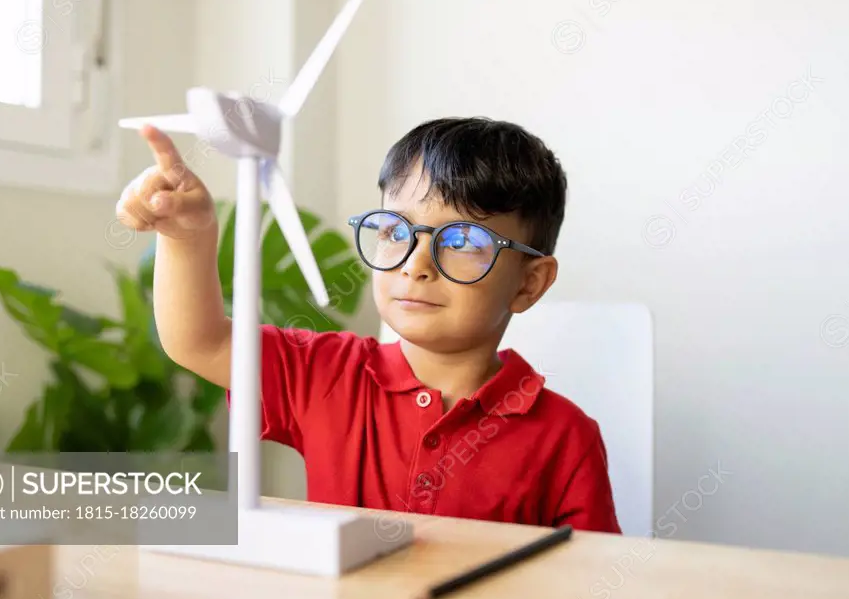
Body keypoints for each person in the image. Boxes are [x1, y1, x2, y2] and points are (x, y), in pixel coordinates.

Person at [115, 116, 622, 534]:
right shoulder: (326, 374)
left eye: (463, 240)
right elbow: (198, 340)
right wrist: (188, 237)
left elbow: (591, 581)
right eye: (395, 230)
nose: (415, 263)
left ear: (529, 284)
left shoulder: (567, 438)